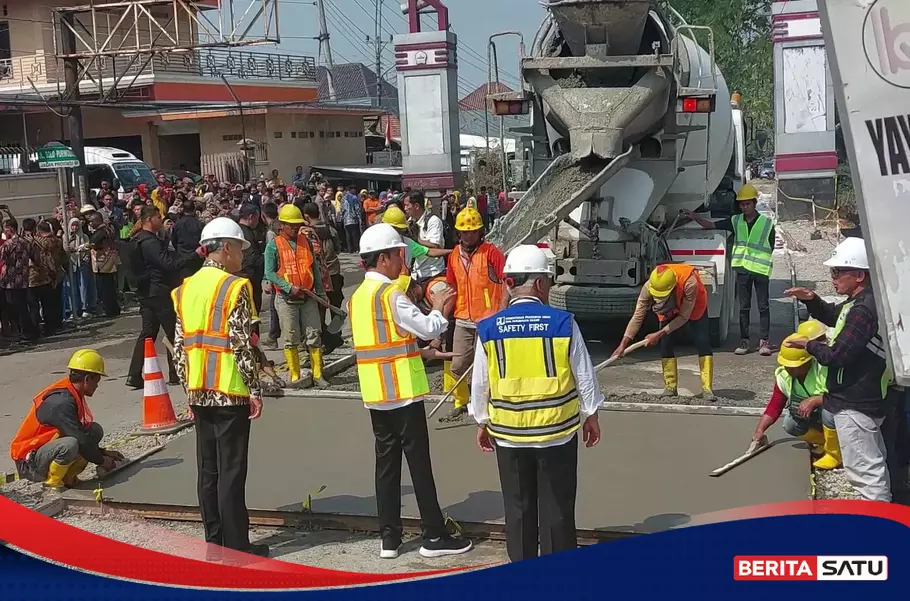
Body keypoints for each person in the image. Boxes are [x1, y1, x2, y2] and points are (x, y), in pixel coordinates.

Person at [350, 223, 473, 560]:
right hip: (403, 390)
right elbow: (428, 327)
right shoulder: (390, 295)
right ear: (384, 258)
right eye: (398, 255)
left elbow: (383, 342)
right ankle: (433, 535)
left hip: (376, 393)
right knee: (419, 465)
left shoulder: (358, 297)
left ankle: (389, 538)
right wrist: (442, 306)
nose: (401, 261)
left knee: (385, 466)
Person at [471, 245, 602, 562]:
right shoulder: (562, 323)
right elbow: (584, 375)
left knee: (517, 509)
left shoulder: (490, 328)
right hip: (556, 433)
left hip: (508, 435)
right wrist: (591, 415)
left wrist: (481, 421)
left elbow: (480, 382)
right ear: (542, 284)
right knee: (557, 509)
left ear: (509, 283)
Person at [171, 217, 268, 558]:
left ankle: (214, 544)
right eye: (240, 248)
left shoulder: (183, 289)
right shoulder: (235, 287)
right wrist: (254, 389)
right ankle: (237, 548)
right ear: (225, 248)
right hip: (230, 390)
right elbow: (241, 344)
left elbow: (180, 348)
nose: (242, 255)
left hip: (199, 390)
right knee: (232, 470)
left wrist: (188, 390)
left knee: (208, 470)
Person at [785, 237, 892, 502]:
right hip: (860, 397)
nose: (832, 277)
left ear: (858, 275)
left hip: (856, 401)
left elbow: (837, 356)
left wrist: (808, 345)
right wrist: (811, 300)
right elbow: (835, 316)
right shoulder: (859, 302)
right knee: (870, 463)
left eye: (837, 272)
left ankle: (878, 531)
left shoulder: (863, 311)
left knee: (865, 471)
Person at [9, 349, 124, 490]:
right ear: (87, 379)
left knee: (94, 430)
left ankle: (69, 479)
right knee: (71, 443)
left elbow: (80, 432)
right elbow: (79, 438)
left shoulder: (71, 391)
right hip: (30, 464)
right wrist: (101, 460)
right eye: (96, 380)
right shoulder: (62, 402)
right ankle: (53, 484)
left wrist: (103, 452)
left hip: (44, 451)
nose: (97, 385)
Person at [684, 183, 775, 356]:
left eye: (748, 203)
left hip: (760, 270)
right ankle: (745, 341)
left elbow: (770, 246)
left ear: (754, 203)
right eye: (742, 204)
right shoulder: (735, 221)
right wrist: (695, 217)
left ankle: (764, 342)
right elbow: (711, 225)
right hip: (742, 269)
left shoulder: (766, 223)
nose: (745, 207)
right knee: (744, 307)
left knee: (763, 307)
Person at [612, 263, 715, 400]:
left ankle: (707, 388)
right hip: (668, 308)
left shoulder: (690, 283)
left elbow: (683, 317)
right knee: (666, 344)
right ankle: (670, 387)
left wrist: (658, 334)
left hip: (694, 306)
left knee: (702, 341)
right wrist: (622, 345)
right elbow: (638, 315)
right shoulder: (649, 286)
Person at [441, 207, 506, 423]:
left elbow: (508, 283)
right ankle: (463, 401)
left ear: (480, 231)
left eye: (472, 231)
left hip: (489, 320)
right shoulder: (453, 257)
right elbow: (451, 288)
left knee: (490, 366)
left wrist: (502, 313)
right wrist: (442, 318)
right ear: (458, 233)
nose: (468, 235)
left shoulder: (491, 253)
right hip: (463, 319)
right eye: (464, 231)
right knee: (458, 365)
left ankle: (491, 402)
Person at [752, 323, 839, 467]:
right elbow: (775, 406)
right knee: (790, 424)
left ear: (808, 361)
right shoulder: (784, 376)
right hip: (815, 419)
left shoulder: (823, 370)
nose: (789, 370)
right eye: (787, 366)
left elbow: (843, 398)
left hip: (835, 416)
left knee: (828, 412)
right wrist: (759, 431)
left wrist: (816, 400)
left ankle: (836, 452)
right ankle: (823, 441)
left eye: (794, 367)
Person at [264, 204, 328, 388]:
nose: (294, 229)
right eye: (291, 225)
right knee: (291, 338)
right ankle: (295, 374)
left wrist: (321, 293)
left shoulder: (305, 242)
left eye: (297, 225)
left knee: (314, 334)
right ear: (281, 225)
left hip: (307, 297)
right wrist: (287, 286)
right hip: (286, 299)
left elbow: (314, 268)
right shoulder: (273, 245)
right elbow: (269, 272)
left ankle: (318, 374)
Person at [125, 206, 184, 389]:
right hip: (158, 292)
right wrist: (186, 258)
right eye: (159, 217)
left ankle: (134, 374)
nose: (161, 220)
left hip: (147, 293)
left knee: (148, 333)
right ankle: (178, 372)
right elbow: (167, 263)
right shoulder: (150, 242)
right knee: (173, 332)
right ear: (150, 220)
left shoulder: (139, 240)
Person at [0, 218, 39, 340]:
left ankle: (28, 331)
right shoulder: (26, 242)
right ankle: (29, 330)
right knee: (22, 306)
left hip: (10, 281)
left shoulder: (8, 245)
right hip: (23, 279)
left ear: (10, 229)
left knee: (17, 307)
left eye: (5, 229)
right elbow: (36, 258)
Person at [86, 212, 121, 318]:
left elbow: (92, 243)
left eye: (92, 221)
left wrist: (78, 248)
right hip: (106, 262)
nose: (91, 223)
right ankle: (113, 309)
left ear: (98, 220)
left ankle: (110, 310)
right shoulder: (106, 229)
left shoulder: (102, 231)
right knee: (108, 288)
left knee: (106, 289)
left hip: (104, 263)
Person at [404, 191, 446, 280]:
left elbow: (435, 246)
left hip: (433, 272)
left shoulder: (433, 221)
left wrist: (417, 239)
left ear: (416, 206)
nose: (405, 208)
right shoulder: (410, 222)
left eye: (407, 205)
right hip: (416, 273)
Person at [236, 204, 265, 314]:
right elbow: (251, 258)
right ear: (251, 217)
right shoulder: (246, 234)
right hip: (249, 278)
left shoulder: (236, 230)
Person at [171, 198, 205, 283]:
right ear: (194, 210)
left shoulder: (177, 224)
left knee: (184, 284)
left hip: (182, 257)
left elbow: (173, 240)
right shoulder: (199, 224)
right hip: (197, 257)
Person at [342, 186, 363, 252]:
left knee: (348, 235)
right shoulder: (354, 198)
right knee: (355, 234)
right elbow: (357, 208)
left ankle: (349, 249)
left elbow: (342, 209)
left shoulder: (344, 198)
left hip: (346, 219)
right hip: (353, 219)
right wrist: (359, 217)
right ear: (351, 190)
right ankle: (356, 248)